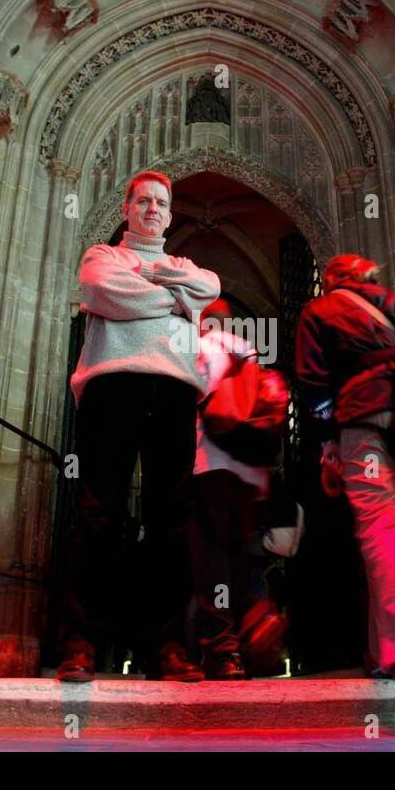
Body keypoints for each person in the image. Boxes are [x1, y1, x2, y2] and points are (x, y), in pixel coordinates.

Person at [56, 170, 220, 683]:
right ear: (127, 208)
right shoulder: (104, 257)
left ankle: (164, 648)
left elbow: (210, 287)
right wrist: (175, 300)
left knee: (170, 519)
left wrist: (160, 285)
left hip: (173, 390)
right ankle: (83, 643)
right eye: (144, 200)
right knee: (98, 511)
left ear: (170, 216)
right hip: (113, 385)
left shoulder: (183, 264)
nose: (152, 209)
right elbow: (105, 290)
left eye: (161, 203)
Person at [294, 254, 395, 702]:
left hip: (363, 420)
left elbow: (312, 382)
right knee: (389, 529)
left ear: (331, 280)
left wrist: (327, 440)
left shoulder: (320, 310)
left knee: (378, 527)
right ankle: (388, 653)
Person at [187, 297, 271, 680]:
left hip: (212, 466)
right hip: (251, 475)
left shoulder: (202, 350)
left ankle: (223, 649)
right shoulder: (252, 355)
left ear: (204, 322)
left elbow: (195, 400)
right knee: (246, 559)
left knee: (212, 559)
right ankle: (256, 646)